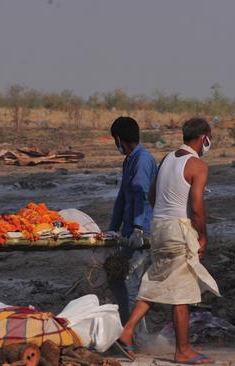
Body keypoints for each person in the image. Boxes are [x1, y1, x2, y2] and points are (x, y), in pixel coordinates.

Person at [115, 118, 220, 364]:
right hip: (178, 230)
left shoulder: (168, 159)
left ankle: (126, 332)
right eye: (209, 138)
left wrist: (165, 216)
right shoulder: (198, 165)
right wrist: (202, 235)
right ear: (204, 137)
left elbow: (152, 195)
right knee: (182, 290)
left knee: (157, 282)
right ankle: (183, 350)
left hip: (159, 227)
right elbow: (196, 206)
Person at [106, 116, 158, 328]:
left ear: (119, 139)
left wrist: (137, 227)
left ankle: (136, 339)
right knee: (116, 277)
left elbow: (141, 195)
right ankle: (128, 331)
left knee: (129, 283)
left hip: (141, 233)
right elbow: (122, 198)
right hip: (128, 232)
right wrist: (111, 230)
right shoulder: (129, 160)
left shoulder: (143, 160)